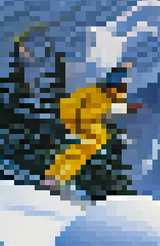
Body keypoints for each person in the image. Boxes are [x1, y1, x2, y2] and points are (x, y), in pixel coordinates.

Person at [42, 62, 142, 195]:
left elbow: (105, 107)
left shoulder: (107, 91)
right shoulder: (100, 92)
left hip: (81, 119)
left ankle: (55, 177)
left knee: (83, 149)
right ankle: (55, 178)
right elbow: (95, 109)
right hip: (78, 118)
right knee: (82, 149)